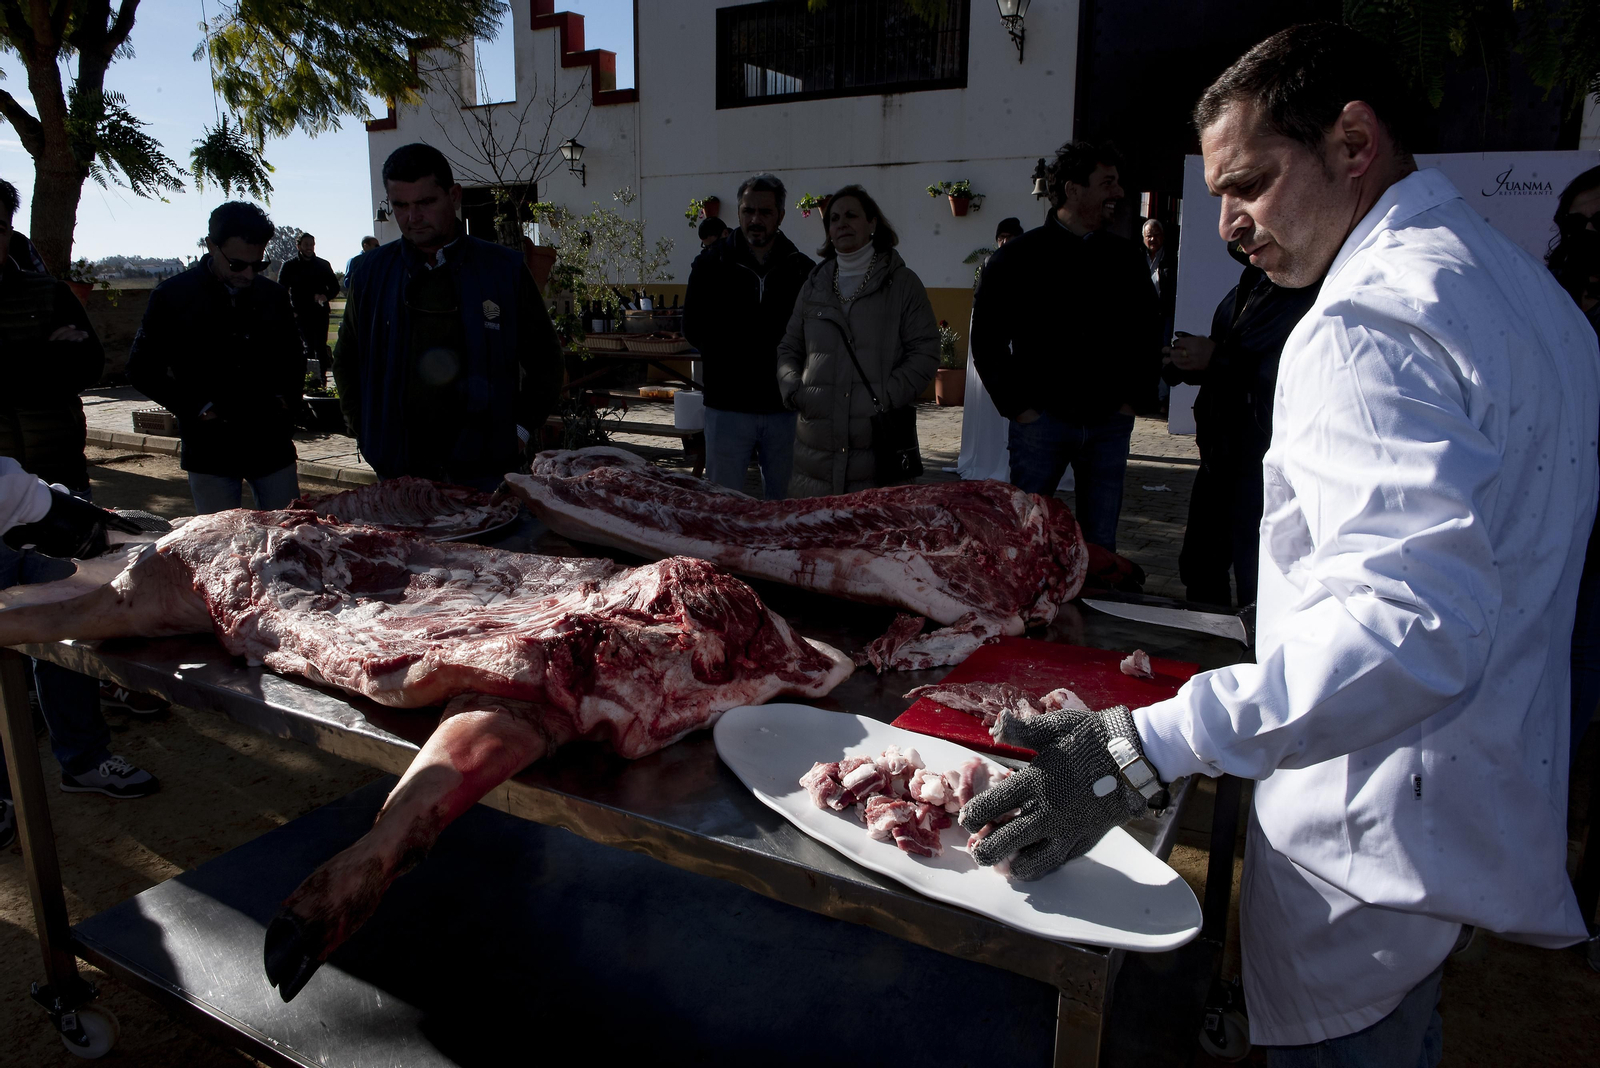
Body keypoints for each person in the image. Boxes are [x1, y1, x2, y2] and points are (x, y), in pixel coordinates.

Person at [960, 24, 1597, 1064]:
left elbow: (1411, 630)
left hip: (1371, 840)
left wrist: (1147, 743)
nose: (1229, 225)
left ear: (1353, 143)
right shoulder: (1520, 290)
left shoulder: (1364, 324)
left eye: (1248, 183)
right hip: (1459, 815)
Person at [333, 143, 563, 490]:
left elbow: (545, 361)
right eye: (400, 205)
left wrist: (517, 431)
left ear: (454, 196)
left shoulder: (503, 270)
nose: (413, 217)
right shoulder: (370, 273)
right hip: (397, 469)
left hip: (484, 470)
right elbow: (347, 360)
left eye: (426, 202)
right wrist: (366, 431)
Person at [970, 141, 1160, 550]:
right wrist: (1021, 409)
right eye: (1107, 182)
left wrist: (1131, 401)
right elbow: (986, 341)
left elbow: (1148, 331)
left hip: (1109, 423)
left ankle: (1094, 611)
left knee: (1100, 546)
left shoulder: (1126, 258)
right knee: (1028, 542)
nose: (1119, 193)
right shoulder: (1016, 258)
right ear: (1074, 190)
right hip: (1041, 425)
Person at [0, 457, 159, 849]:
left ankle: (83, 760)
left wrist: (58, 504)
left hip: (29, 505)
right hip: (19, 503)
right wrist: (40, 505)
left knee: (71, 627)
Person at [1163, 245, 1318, 607]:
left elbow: (1287, 374)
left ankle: (1257, 655)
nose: (1233, 227)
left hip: (1262, 461)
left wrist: (1217, 358)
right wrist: (1189, 362)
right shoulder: (1252, 281)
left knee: (1259, 576)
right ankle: (1210, 649)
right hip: (1221, 452)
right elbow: (1238, 356)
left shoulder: (1309, 292)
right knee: (1200, 566)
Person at [128, 201, 305, 513]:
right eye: (238, 265)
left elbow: (293, 359)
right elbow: (141, 369)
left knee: (289, 535)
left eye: (258, 265)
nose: (249, 274)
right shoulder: (172, 296)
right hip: (210, 445)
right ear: (211, 246)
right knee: (218, 543)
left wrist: (287, 402)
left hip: (270, 440)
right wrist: (196, 409)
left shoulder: (273, 296)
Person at [775, 185, 938, 496]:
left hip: (876, 451)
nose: (841, 223)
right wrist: (796, 390)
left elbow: (925, 352)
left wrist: (886, 395)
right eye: (834, 218)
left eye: (851, 215)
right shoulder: (814, 285)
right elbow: (789, 348)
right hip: (815, 453)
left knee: (870, 539)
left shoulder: (902, 284)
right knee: (816, 536)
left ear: (872, 223)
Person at [683, 173, 813, 498]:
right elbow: (693, 328)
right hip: (727, 408)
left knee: (788, 511)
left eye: (765, 212)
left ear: (780, 216)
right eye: (747, 211)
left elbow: (812, 335)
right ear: (738, 212)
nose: (755, 219)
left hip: (785, 412)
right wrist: (733, 361)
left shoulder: (802, 270)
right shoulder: (710, 266)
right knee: (722, 509)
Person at [1547, 165, 1600, 753]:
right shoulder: (1551, 295)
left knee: (1582, 650)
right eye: (1576, 222)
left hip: (1595, 523)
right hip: (1546, 508)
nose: (1587, 233)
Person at [278, 232, 340, 379]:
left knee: (321, 347)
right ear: (298, 246)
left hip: (320, 312)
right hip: (300, 314)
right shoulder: (289, 266)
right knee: (307, 348)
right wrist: (290, 310)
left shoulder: (323, 265)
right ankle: (308, 381)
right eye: (306, 245)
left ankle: (322, 381)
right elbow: (281, 290)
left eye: (311, 245)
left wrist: (325, 296)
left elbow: (334, 287)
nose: (309, 248)